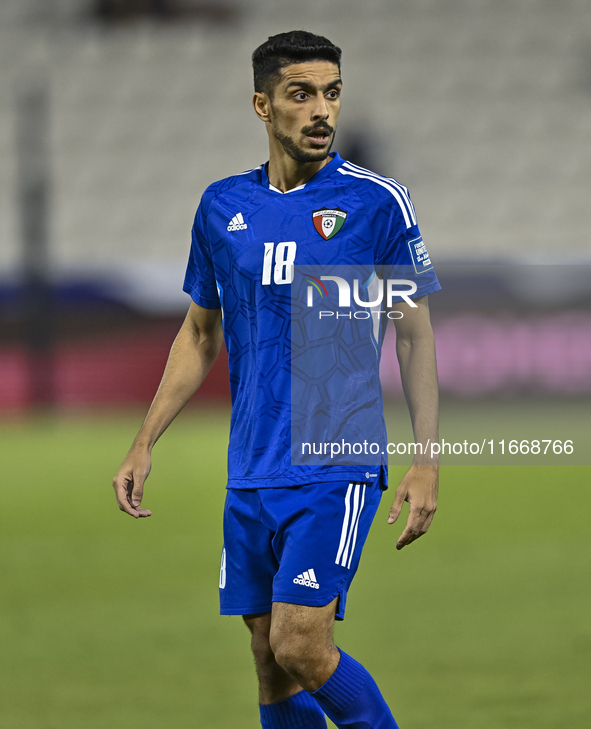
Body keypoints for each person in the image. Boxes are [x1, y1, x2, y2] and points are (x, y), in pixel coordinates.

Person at [113, 30, 440, 729]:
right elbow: (201, 332)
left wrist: (426, 458)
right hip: (252, 462)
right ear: (263, 106)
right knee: (267, 653)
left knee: (301, 642)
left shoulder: (376, 203)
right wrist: (145, 441)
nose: (321, 109)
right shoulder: (222, 207)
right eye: (301, 94)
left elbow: (412, 333)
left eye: (331, 93)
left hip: (333, 457)